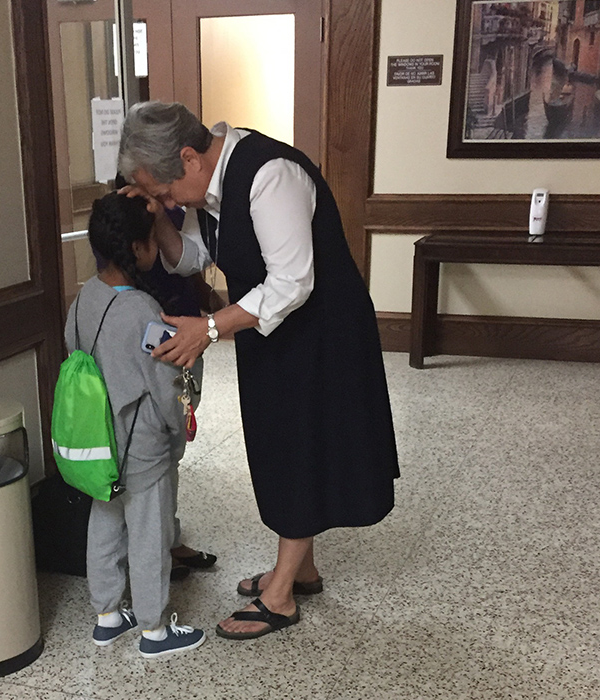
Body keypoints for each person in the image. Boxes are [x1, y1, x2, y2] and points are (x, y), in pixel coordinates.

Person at [117, 101, 400, 640]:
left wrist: (209, 328)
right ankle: (303, 567)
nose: (167, 202)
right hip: (273, 332)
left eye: (166, 192)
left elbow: (292, 282)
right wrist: (158, 219)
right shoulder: (210, 183)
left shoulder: (271, 175)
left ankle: (282, 594)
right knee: (284, 443)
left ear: (188, 157)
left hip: (322, 333)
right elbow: (195, 254)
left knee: (299, 446)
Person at [65, 191, 205, 658]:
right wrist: (176, 432)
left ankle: (107, 616)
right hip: (141, 448)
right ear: (141, 249)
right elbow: (168, 387)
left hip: (98, 442)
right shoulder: (146, 312)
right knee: (150, 533)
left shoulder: (83, 298)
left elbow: (75, 352)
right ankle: (154, 629)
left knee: (104, 522)